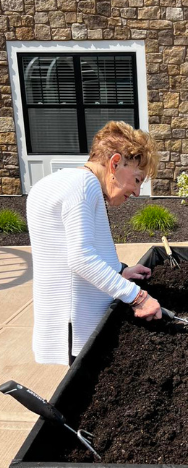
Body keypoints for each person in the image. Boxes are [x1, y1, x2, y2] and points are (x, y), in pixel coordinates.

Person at [27, 121, 163, 366]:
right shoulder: (84, 184)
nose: (137, 192)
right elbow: (81, 258)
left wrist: (120, 272)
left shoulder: (53, 183)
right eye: (137, 179)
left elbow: (66, 250)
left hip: (63, 318)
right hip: (77, 322)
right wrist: (138, 298)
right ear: (115, 163)